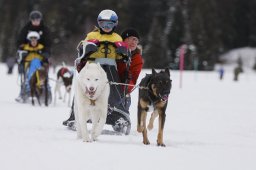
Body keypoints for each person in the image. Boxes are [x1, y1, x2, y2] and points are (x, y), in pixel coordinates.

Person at [63, 9, 132, 134]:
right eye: (103, 24)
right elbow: (81, 50)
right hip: (93, 67)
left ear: (115, 24)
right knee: (84, 90)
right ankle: (75, 117)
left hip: (110, 67)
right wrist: (88, 47)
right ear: (99, 24)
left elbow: (121, 58)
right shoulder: (92, 35)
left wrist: (123, 52)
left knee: (114, 91)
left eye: (109, 24)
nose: (106, 27)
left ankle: (119, 117)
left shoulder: (117, 37)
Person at [15, 31, 50, 102]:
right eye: (32, 40)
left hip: (40, 67)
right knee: (34, 61)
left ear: (37, 40)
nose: (33, 41)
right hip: (28, 66)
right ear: (29, 40)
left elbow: (47, 56)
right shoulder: (24, 48)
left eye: (35, 40)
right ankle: (29, 86)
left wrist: (43, 54)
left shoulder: (42, 48)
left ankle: (42, 87)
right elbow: (19, 57)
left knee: (36, 61)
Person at [117, 28, 144, 110]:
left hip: (122, 91)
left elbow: (133, 79)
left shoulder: (137, 58)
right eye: (129, 39)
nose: (133, 42)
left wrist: (127, 81)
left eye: (135, 40)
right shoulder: (115, 52)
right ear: (123, 41)